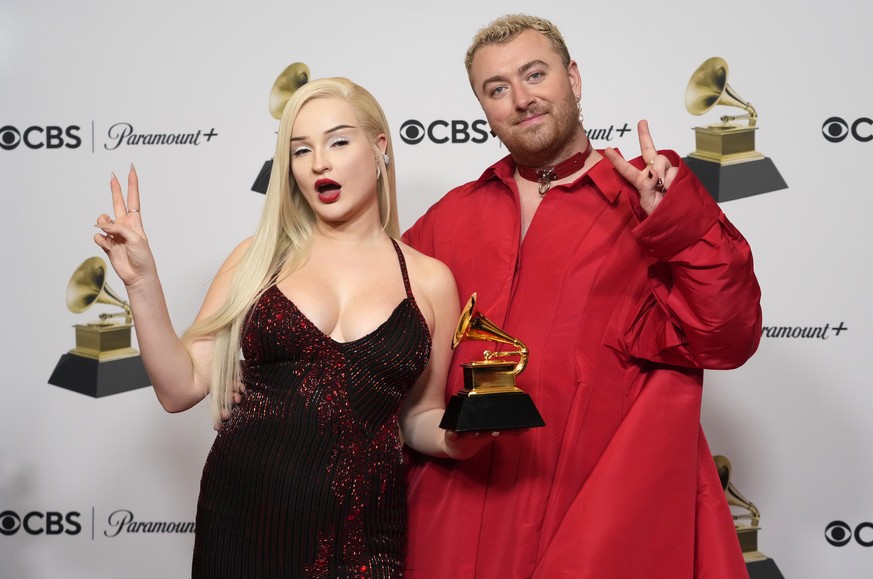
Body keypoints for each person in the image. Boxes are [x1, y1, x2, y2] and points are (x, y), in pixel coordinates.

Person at [401, 14, 763, 579]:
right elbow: (376, 345)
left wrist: (676, 223)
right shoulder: (448, 218)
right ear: (483, 107)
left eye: (535, 74)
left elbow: (728, 337)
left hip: (600, 511)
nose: (522, 98)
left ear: (573, 77)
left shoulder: (651, 194)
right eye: (497, 89)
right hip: (460, 517)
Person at [93, 77, 491, 578]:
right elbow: (180, 388)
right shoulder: (258, 258)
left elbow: (419, 415)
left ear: (380, 146)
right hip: (245, 519)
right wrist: (142, 283)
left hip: (364, 533)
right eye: (301, 150)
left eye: (338, 141)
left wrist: (461, 438)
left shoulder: (430, 281)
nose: (319, 162)